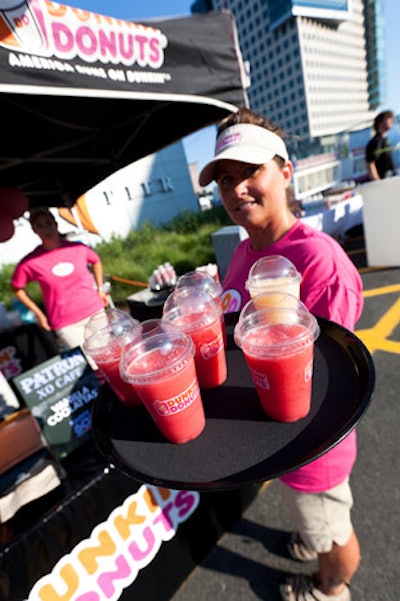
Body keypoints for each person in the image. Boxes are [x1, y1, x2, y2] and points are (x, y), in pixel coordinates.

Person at [199, 108, 364, 601]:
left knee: (332, 531)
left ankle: (331, 586)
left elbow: (335, 380)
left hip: (312, 441)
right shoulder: (248, 251)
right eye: (226, 179)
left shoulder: (318, 260)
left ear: (286, 171)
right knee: (311, 519)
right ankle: (312, 542)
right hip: (273, 433)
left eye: (251, 171)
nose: (237, 189)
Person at [11, 207, 108, 350]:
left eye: (48, 223)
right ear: (34, 230)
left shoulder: (78, 248)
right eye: (40, 226)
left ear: (55, 224)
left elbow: (96, 261)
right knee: (91, 363)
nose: (46, 229)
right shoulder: (30, 262)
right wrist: (39, 314)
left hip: (95, 312)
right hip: (66, 323)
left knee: (109, 354)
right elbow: (17, 287)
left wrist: (100, 289)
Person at [365, 110, 396, 180]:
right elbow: (370, 165)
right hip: (383, 183)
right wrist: (378, 182)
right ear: (380, 122)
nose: (392, 120)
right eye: (388, 118)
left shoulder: (387, 141)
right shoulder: (374, 142)